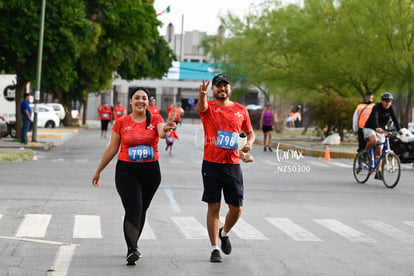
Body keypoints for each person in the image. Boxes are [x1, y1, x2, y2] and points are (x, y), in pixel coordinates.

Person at [92, 87, 176, 265]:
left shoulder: (156, 119)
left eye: (144, 98)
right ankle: (132, 249)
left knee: (142, 210)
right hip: (126, 172)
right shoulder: (121, 122)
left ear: (148, 101)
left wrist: (167, 129)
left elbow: (162, 133)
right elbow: (113, 148)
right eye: (137, 98)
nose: (141, 101)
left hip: (151, 173)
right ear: (130, 101)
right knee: (134, 209)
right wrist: (99, 170)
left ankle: (133, 244)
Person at [197, 74, 255, 263]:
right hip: (211, 164)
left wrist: (248, 146)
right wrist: (203, 95)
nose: (222, 89)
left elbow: (250, 132)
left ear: (230, 89)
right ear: (213, 90)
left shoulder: (241, 110)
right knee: (213, 206)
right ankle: (214, 248)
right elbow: (201, 107)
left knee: (237, 207)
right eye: (218, 86)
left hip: (232, 164)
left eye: (225, 86)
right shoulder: (209, 108)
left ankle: (225, 232)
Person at [362, 92, 402, 179]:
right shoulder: (377, 107)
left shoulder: (390, 108)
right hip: (370, 128)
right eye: (386, 101)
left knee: (379, 151)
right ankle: (365, 153)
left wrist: (399, 129)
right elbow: (374, 118)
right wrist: (376, 127)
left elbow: (395, 119)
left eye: (390, 101)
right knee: (373, 140)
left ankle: (378, 171)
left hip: (381, 130)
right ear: (382, 101)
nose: (388, 103)